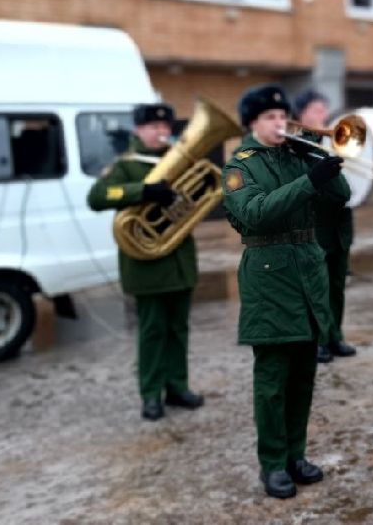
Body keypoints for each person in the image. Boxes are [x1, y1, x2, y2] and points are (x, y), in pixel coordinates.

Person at [222, 84, 351, 500]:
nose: (280, 125)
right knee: (273, 381)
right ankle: (273, 464)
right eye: (271, 119)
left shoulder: (297, 155)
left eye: (283, 117)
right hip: (269, 276)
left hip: (308, 273)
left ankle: (296, 455)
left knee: (304, 377)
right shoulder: (242, 165)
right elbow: (255, 214)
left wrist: (319, 159)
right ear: (253, 124)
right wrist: (308, 180)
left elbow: (342, 197)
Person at [87, 102, 203, 422]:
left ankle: (177, 386)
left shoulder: (179, 162)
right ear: (138, 130)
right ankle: (151, 394)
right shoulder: (126, 165)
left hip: (179, 260)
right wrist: (143, 191)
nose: (161, 132)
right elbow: (98, 197)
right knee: (152, 332)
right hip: (147, 264)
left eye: (165, 127)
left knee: (178, 329)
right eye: (153, 127)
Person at [292, 88, 357, 362]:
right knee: (315, 290)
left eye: (323, 109)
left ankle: (335, 336)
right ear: (301, 114)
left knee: (336, 286)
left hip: (339, 227)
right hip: (316, 226)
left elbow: (348, 186)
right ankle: (317, 339)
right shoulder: (297, 146)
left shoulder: (332, 141)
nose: (323, 114)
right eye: (316, 110)